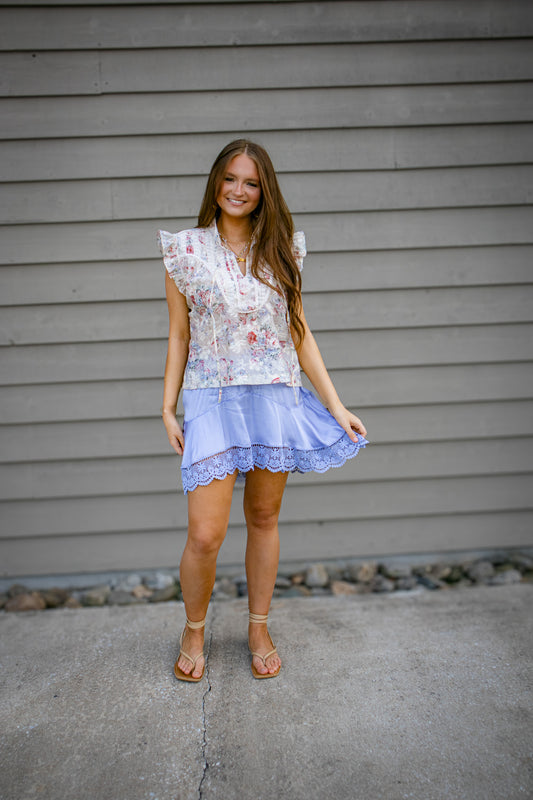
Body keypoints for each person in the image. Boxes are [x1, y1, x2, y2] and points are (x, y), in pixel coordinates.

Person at [158, 139, 368, 682]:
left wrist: (335, 404)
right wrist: (166, 406)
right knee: (205, 533)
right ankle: (194, 629)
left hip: (275, 393)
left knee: (263, 517)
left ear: (263, 190)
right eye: (230, 179)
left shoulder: (282, 248)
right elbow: (179, 334)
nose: (239, 191)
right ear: (216, 182)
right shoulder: (184, 250)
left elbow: (298, 331)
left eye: (251, 182)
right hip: (213, 397)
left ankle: (258, 625)